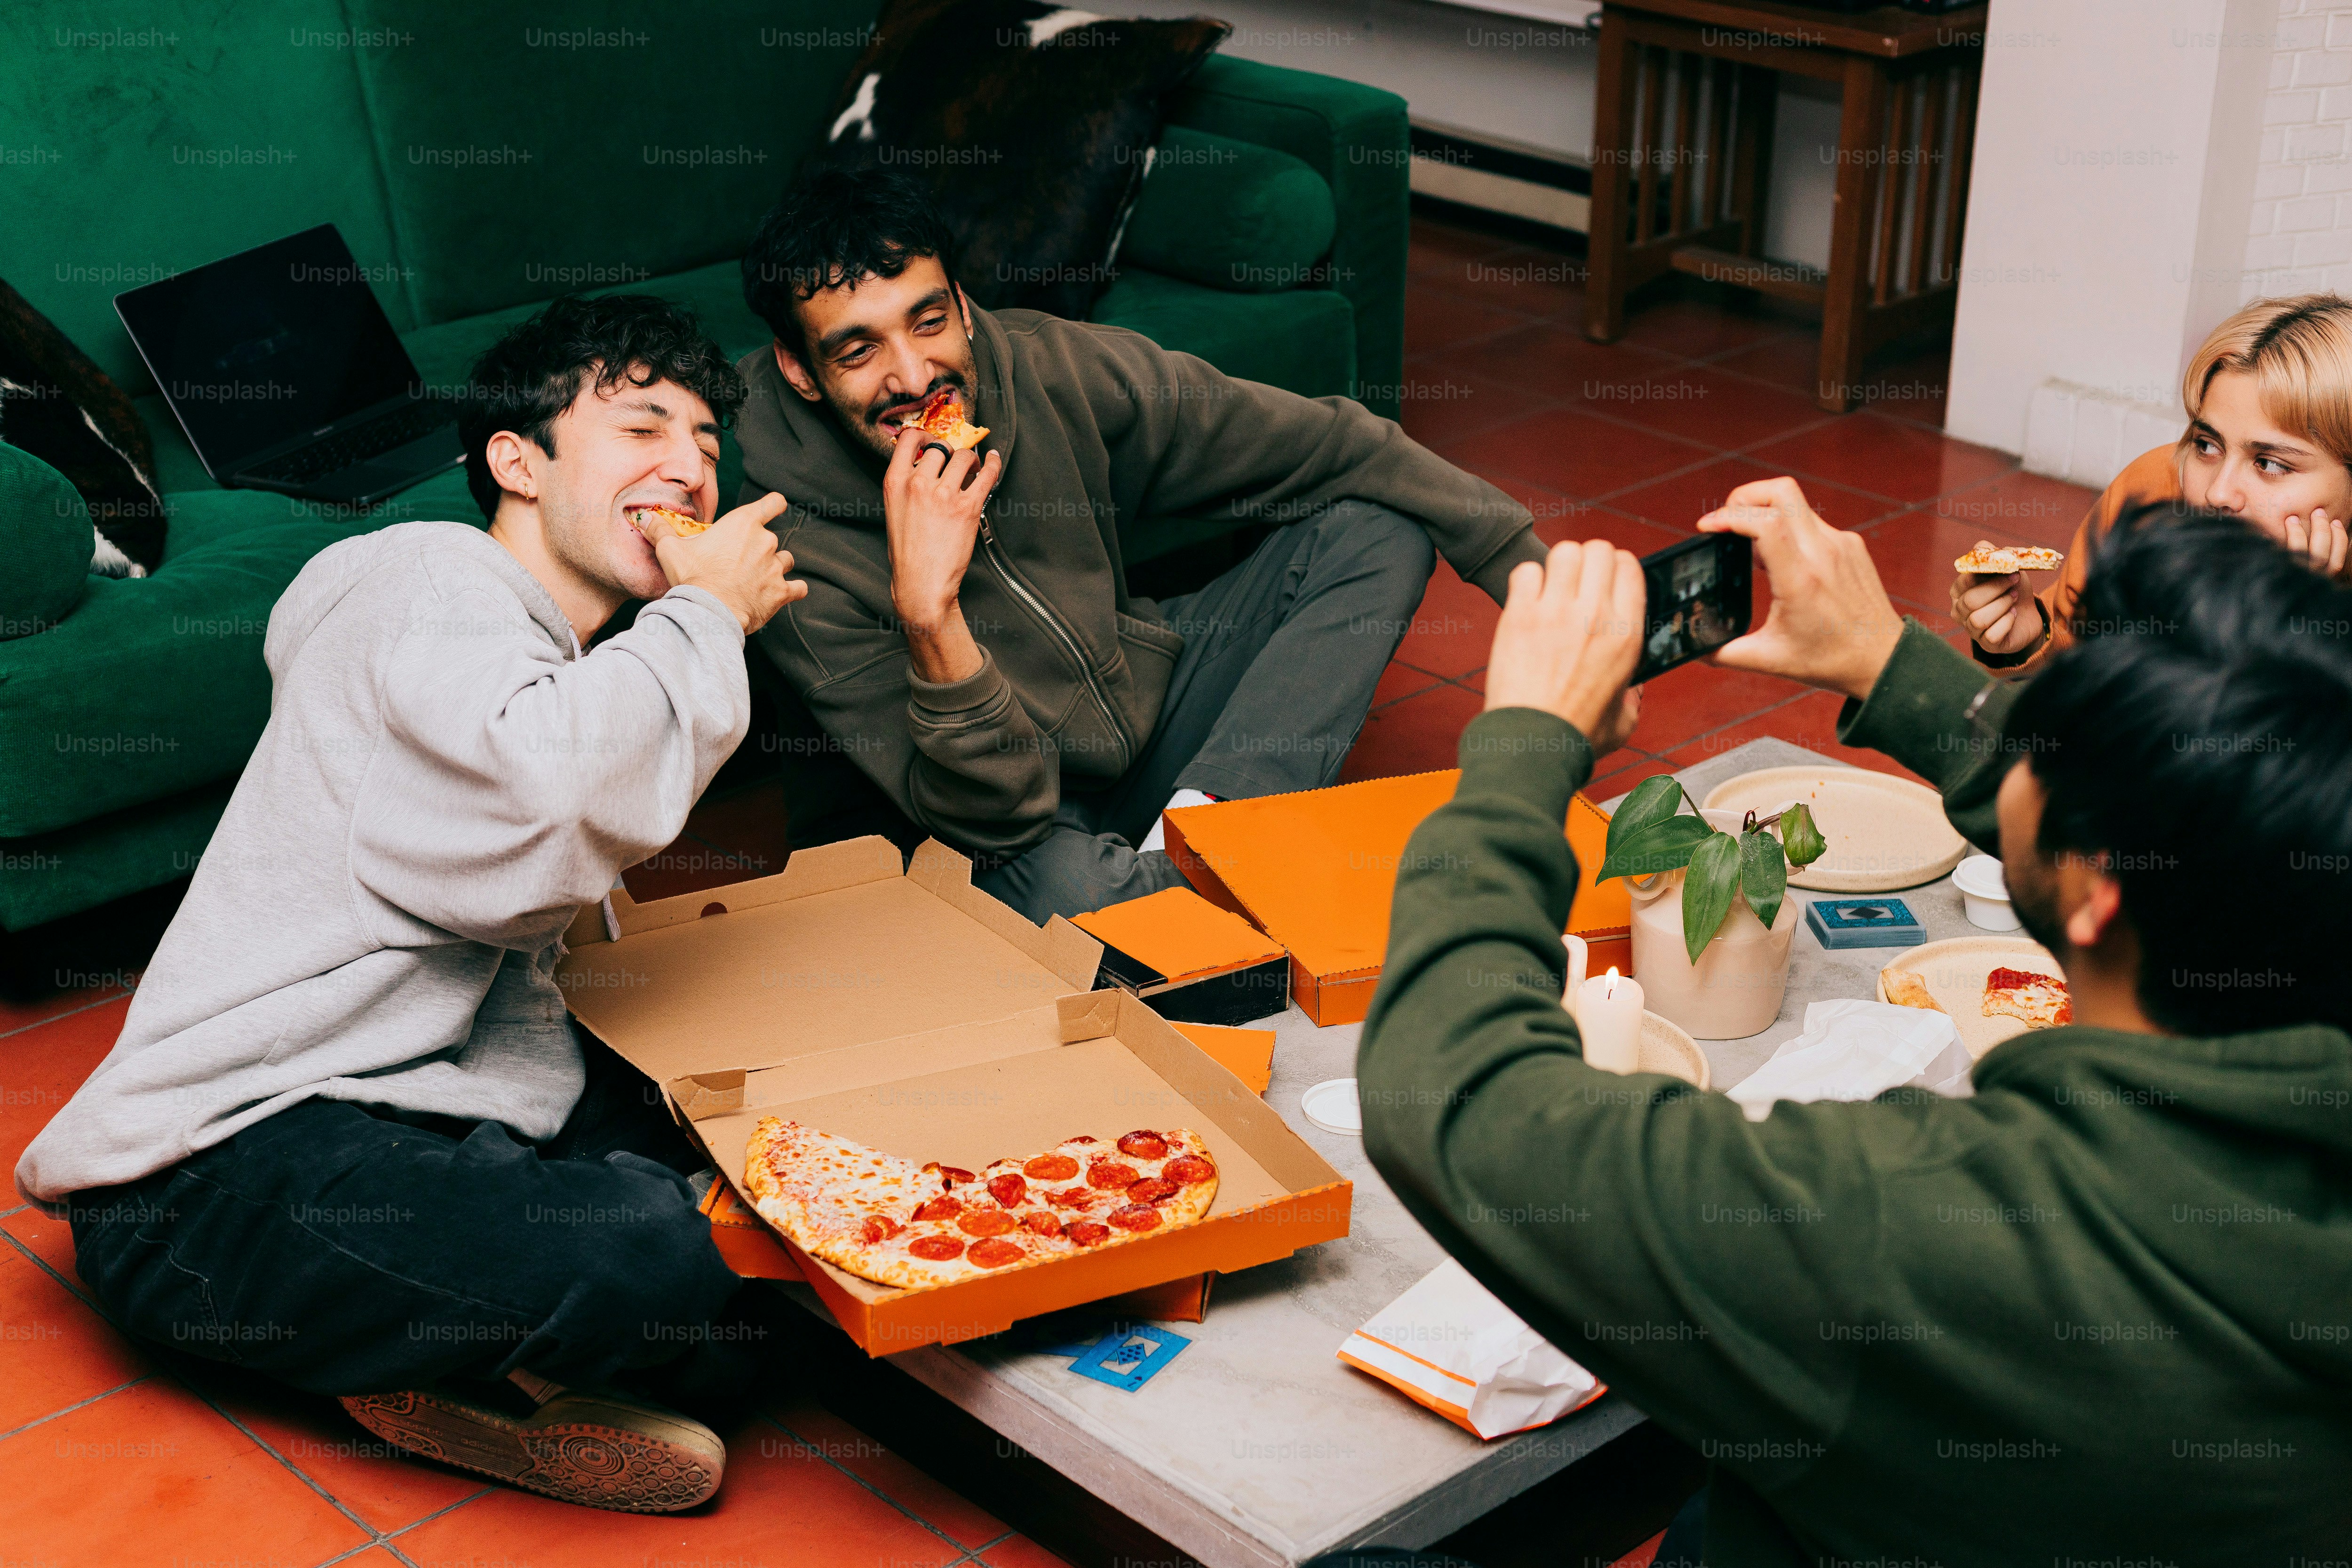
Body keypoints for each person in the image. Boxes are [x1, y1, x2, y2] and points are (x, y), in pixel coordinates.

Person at [1356, 476, 2352, 1564]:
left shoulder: (1926, 1230)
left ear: (2102, 883)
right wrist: (1884, 659)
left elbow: (1455, 1098)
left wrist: (1525, 744)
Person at [15, 295, 804, 1514]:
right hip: (212, 1179)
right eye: (644, 422)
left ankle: (458, 1377)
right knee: (661, 1251)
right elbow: (539, 818)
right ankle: (447, 1336)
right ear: (517, 462)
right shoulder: (426, 579)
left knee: (759, 1266)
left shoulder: (555, 662)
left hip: (410, 1112)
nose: (690, 466)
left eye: (707, 440)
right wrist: (708, 615)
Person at [730, 167, 1552, 922]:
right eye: (859, 350)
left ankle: (1201, 842)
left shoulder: (1050, 367)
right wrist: (929, 611)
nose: (914, 378)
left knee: (1378, 525)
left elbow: (1329, 443)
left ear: (964, 305)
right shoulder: (781, 550)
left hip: (1137, 713)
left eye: (930, 320)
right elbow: (988, 814)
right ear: (801, 371)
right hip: (978, 828)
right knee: (1068, 892)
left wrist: (1538, 586)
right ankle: (1207, 894)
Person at [1956, 293, 2352, 671]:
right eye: (2207, 445)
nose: (2218, 492)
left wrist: (2301, 622)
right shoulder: (2153, 491)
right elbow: (2083, 653)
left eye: (2270, 464)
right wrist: (2031, 633)